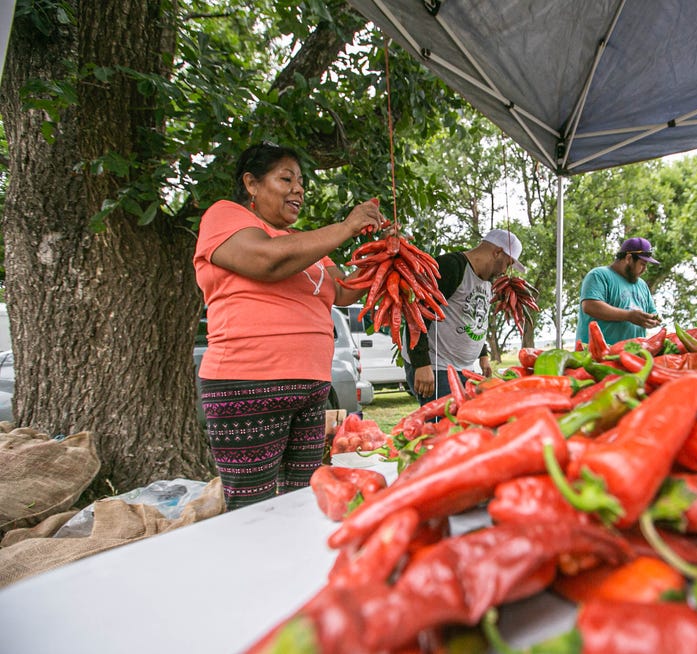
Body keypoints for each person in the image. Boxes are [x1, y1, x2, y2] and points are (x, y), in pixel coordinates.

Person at [193, 142, 383, 509]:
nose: (299, 189)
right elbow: (266, 261)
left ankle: (294, 564)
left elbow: (343, 289)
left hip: (311, 387)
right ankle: (253, 567)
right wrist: (346, 226)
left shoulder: (305, 243)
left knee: (302, 501)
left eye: (302, 182)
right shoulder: (226, 217)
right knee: (254, 508)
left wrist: (384, 257)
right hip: (249, 387)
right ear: (251, 183)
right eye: (286, 178)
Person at [404, 229, 524, 405]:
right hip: (437, 366)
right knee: (443, 428)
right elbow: (416, 313)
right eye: (507, 263)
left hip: (464, 369)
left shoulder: (486, 280)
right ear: (497, 252)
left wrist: (483, 355)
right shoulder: (451, 266)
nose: (505, 271)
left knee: (463, 425)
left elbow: (474, 318)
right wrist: (421, 364)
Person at [576, 237, 661, 346]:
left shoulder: (642, 285)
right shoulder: (599, 275)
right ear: (629, 258)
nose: (645, 269)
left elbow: (651, 312)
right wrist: (629, 316)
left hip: (632, 356)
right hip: (597, 356)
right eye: (642, 264)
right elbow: (590, 306)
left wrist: (652, 320)